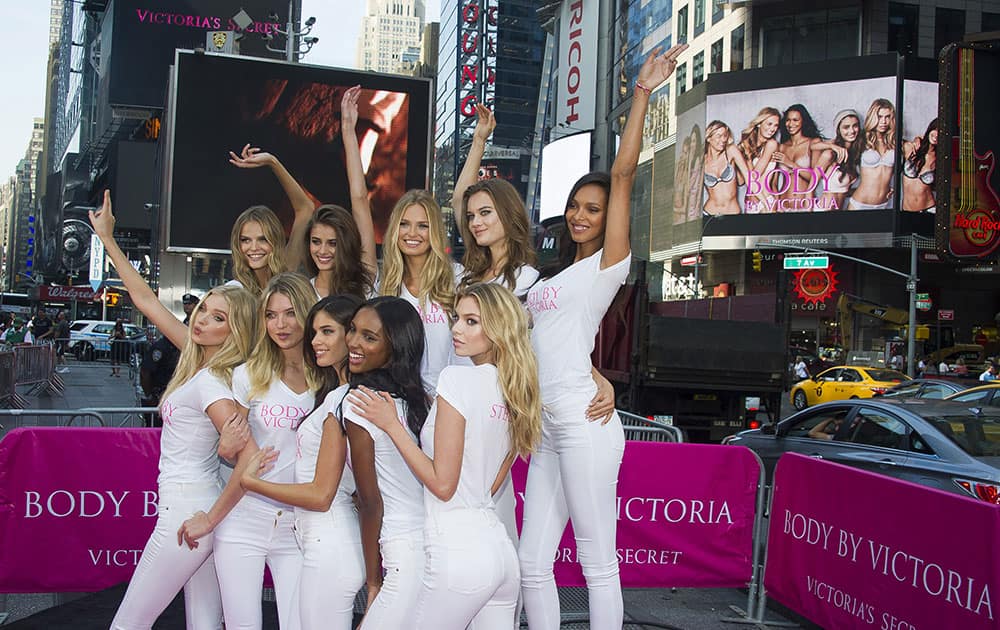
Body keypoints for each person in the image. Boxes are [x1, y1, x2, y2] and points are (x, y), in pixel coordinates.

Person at [519, 44, 686, 630]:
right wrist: (593, 371)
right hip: (544, 422)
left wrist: (642, 92)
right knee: (530, 564)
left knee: (596, 561)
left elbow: (622, 173)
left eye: (594, 208)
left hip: (583, 423)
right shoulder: (556, 274)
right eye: (575, 207)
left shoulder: (609, 265)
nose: (582, 215)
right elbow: (549, 341)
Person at [90, 190, 258, 630]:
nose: (202, 320)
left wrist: (210, 516)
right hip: (191, 509)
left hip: (188, 513)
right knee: (203, 624)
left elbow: (251, 459)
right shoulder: (200, 364)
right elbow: (146, 301)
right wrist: (107, 238)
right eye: (204, 309)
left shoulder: (211, 383)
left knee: (127, 625)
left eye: (219, 318)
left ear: (236, 329)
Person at [348, 283, 541, 628]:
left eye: (471, 321)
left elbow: (443, 485)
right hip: (500, 554)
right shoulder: (515, 390)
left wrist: (392, 425)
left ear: (498, 328)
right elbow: (490, 484)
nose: (455, 328)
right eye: (457, 318)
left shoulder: (458, 380)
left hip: (458, 553)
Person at [179, 273, 320, 630]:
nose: (280, 324)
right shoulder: (247, 375)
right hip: (244, 521)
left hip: (299, 526)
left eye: (290, 313)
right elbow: (241, 460)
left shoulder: (327, 379)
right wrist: (211, 517)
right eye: (271, 315)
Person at [241, 295, 365, 630]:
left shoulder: (344, 398)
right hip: (327, 540)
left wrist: (252, 483)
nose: (315, 341)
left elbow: (321, 495)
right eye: (313, 332)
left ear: (351, 335)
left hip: (330, 543)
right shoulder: (336, 394)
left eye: (327, 331)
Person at [341, 297, 429, 629]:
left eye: (369, 337)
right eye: (352, 330)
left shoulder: (360, 403)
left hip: (403, 553)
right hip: (432, 544)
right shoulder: (421, 401)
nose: (353, 342)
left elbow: (370, 502)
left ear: (396, 347)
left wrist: (373, 579)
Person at [302, 86, 377, 300]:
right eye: (316, 241)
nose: (322, 251)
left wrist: (347, 130)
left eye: (332, 243)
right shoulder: (300, 293)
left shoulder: (363, 284)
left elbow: (360, 200)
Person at [227, 205, 288, 296]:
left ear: (275, 242)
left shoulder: (288, 285)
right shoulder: (234, 291)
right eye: (246, 240)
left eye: (263, 239)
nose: (254, 248)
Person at [848, 99, 896, 210]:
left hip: (884, 205)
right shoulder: (861, 139)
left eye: (887, 117)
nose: (884, 121)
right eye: (879, 116)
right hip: (859, 204)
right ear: (873, 117)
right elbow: (838, 142)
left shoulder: (894, 142)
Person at [772, 104, 823, 207]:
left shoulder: (813, 143)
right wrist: (776, 204)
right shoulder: (781, 147)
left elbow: (814, 178)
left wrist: (789, 163)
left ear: (803, 121)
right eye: (788, 120)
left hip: (805, 206)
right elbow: (774, 182)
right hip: (783, 206)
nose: (790, 124)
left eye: (795, 120)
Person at [814, 109, 861, 211]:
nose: (852, 131)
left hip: (839, 212)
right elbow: (812, 146)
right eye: (846, 127)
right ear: (838, 130)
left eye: (855, 126)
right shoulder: (830, 154)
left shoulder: (855, 154)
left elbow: (843, 191)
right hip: (824, 211)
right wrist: (832, 146)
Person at [737, 107, 781, 213]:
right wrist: (739, 155)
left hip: (765, 201)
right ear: (759, 123)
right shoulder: (748, 145)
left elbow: (755, 176)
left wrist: (747, 157)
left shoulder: (772, 144)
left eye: (776, 125)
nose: (772, 129)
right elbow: (741, 181)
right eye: (769, 124)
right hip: (749, 203)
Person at [702, 120, 750, 215]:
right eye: (719, 136)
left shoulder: (731, 151)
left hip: (733, 213)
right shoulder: (701, 162)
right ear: (708, 138)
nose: (723, 139)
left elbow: (749, 179)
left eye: (725, 135)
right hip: (709, 214)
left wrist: (765, 202)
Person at [901, 119, 937, 213]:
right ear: (930, 129)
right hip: (906, 210)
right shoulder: (911, 148)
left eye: (941, 133)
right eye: (935, 130)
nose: (936, 135)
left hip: (929, 210)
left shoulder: (939, 159)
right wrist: (918, 138)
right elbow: (892, 138)